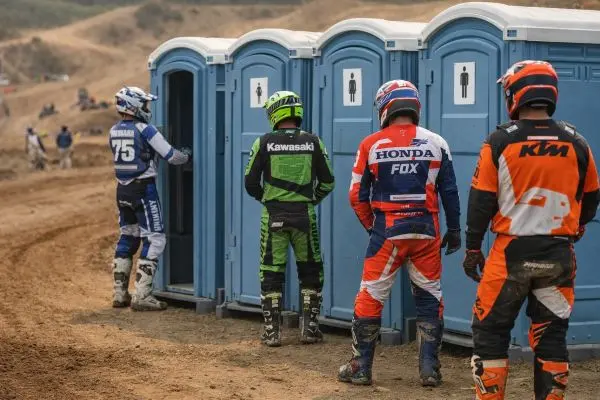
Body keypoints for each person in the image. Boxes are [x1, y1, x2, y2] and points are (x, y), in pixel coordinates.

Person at [464, 60, 600, 399]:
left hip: (510, 254)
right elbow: (592, 195)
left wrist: (472, 247)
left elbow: (480, 200)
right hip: (558, 252)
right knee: (551, 336)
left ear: (515, 94)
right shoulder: (577, 141)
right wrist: (578, 226)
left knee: (490, 332)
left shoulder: (499, 141)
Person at [338, 80, 461, 387]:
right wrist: (455, 229)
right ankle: (430, 370)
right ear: (414, 105)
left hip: (387, 230)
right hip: (427, 230)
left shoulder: (370, 144)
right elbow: (450, 191)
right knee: (430, 296)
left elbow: (356, 195)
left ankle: (360, 367)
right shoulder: (437, 142)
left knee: (371, 295)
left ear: (385, 107)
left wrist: (372, 227)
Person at [244, 90, 335, 347]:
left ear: (275, 113)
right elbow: (328, 182)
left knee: (271, 271)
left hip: (273, 215)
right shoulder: (314, 142)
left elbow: (250, 183)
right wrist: (310, 201)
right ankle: (310, 329)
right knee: (310, 270)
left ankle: (272, 332)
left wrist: (268, 199)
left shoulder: (263, 142)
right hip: (305, 215)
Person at [109, 86, 192, 311]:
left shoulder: (113, 130)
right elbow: (171, 156)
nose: (147, 107)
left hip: (122, 190)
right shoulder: (145, 129)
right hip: (143, 190)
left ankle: (120, 294)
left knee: (128, 236)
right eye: (144, 103)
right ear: (134, 106)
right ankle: (142, 295)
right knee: (155, 239)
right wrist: (188, 156)